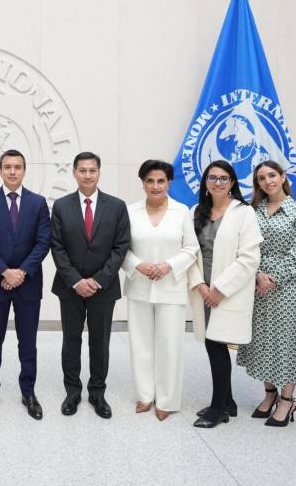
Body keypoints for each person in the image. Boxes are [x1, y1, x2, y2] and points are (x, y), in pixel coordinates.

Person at [51, 151, 130, 419]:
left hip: (103, 288)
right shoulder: (61, 206)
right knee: (71, 340)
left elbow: (121, 247)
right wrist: (76, 281)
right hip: (69, 288)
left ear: (98, 173)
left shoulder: (116, 206)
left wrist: (97, 280)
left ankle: (97, 393)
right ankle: (72, 392)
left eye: (92, 170)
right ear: (74, 172)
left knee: (100, 342)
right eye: (82, 170)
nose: (87, 175)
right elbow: (57, 247)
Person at [0, 149, 51, 421]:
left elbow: (43, 242)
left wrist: (22, 273)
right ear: (0, 170)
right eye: (7, 166)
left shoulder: (38, 203)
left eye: (17, 167)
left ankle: (28, 392)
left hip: (28, 285)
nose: (12, 171)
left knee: (28, 343)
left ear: (24, 170)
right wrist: (5, 273)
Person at [236, 161, 296, 427]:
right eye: (261, 178)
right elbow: (244, 247)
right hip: (255, 283)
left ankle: (287, 400)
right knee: (262, 340)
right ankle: (270, 394)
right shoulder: (252, 211)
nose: (267, 181)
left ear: (282, 177)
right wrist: (258, 274)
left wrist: (272, 278)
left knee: (286, 342)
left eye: (272, 175)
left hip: (286, 286)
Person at [122, 160, 198, 420]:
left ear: (169, 183)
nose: (155, 186)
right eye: (150, 181)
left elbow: (191, 248)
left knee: (169, 344)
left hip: (171, 286)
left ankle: (167, 399)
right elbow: (121, 247)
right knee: (140, 343)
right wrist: (138, 265)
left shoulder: (182, 211)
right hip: (139, 285)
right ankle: (145, 395)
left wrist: (168, 266)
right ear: (142, 183)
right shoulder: (130, 211)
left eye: (161, 181)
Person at [188, 160, 262, 428]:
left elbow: (249, 257)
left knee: (217, 345)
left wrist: (220, 289)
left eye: (223, 178)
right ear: (205, 182)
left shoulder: (244, 212)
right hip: (203, 287)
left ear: (232, 182)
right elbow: (189, 251)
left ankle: (218, 409)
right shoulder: (196, 211)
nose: (217, 182)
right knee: (212, 343)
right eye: (212, 178)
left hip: (228, 290)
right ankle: (228, 401)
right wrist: (200, 284)